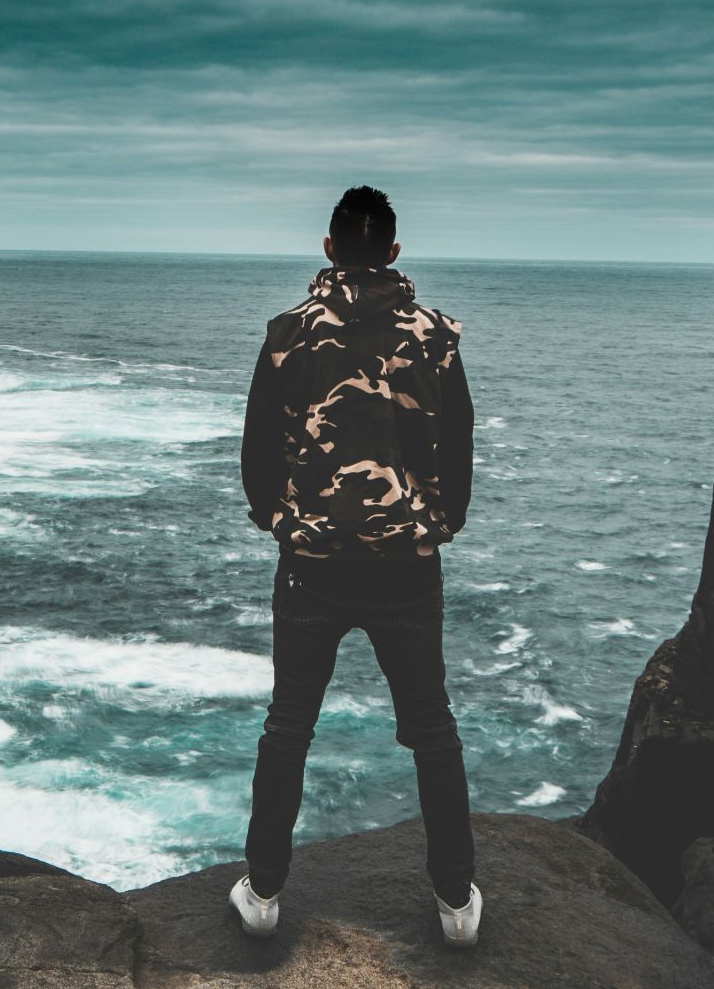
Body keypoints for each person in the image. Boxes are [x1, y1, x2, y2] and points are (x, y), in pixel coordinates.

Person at [229, 185, 480, 946]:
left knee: (289, 726)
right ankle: (455, 901)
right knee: (431, 729)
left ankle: (265, 893)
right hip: (407, 565)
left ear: (330, 248)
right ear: (395, 253)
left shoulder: (288, 333)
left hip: (313, 565)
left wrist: (279, 522)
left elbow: (257, 453)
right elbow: (459, 446)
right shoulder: (436, 334)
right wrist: (440, 523)